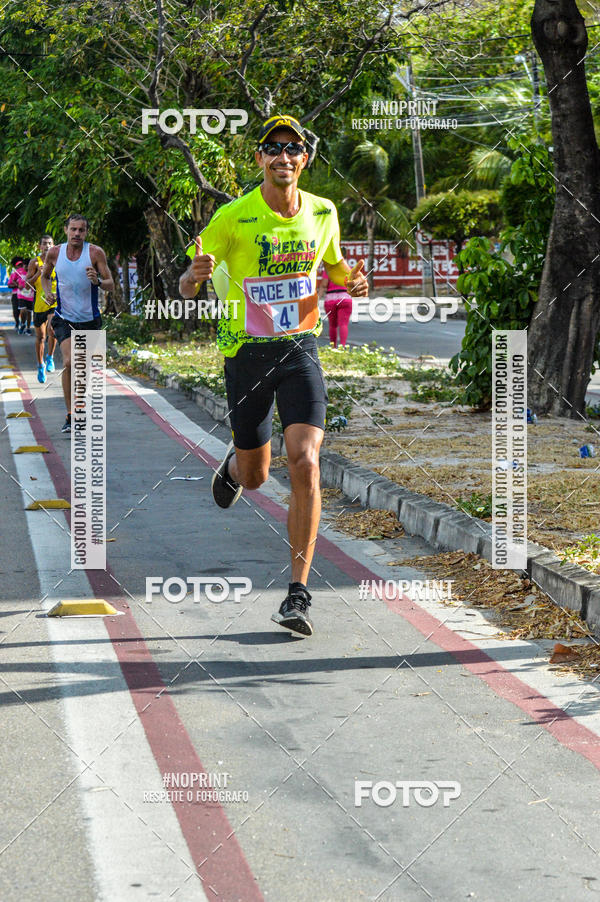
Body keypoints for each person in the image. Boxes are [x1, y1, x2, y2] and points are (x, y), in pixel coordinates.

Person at [179, 114, 368, 637]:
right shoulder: (232, 216)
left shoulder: (324, 211)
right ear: (260, 159)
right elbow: (188, 282)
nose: (283, 156)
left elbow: (335, 272)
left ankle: (297, 594)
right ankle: (238, 469)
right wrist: (192, 278)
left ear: (305, 159)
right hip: (245, 355)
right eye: (273, 148)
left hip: (300, 350)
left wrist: (353, 282)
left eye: (293, 148)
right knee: (260, 474)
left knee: (306, 461)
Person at [41, 214, 114, 432]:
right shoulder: (55, 253)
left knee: (82, 369)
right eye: (73, 229)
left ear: (86, 233)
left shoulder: (95, 253)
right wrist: (48, 293)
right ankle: (71, 415)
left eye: (81, 230)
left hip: (90, 319)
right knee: (70, 362)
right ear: (65, 230)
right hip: (64, 318)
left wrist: (98, 281)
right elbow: (45, 277)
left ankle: (79, 407)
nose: (77, 234)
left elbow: (110, 284)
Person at [26, 235, 57, 383]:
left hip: (54, 303)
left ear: (54, 245)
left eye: (50, 243)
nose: (47, 246)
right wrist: (38, 273)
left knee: (53, 330)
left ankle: (50, 357)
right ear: (39, 247)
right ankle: (40, 365)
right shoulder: (34, 262)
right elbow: (26, 285)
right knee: (41, 337)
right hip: (38, 305)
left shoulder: (59, 261)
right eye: (44, 244)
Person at [318, 269, 353, 347]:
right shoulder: (348, 268)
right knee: (343, 324)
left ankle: (333, 348)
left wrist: (317, 300)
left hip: (330, 299)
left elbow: (324, 285)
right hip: (345, 297)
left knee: (332, 325)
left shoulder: (328, 269)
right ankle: (342, 347)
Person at [13, 258, 34, 334]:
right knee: (23, 310)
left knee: (29, 312)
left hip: (30, 295)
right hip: (21, 295)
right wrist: (18, 285)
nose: (26, 268)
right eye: (25, 266)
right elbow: (13, 280)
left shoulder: (33, 271)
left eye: (28, 266)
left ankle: (28, 328)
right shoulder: (18, 271)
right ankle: (22, 324)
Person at [7, 256, 24, 331]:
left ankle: (23, 324)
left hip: (24, 294)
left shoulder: (26, 273)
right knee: (15, 311)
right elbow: (9, 285)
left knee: (23, 310)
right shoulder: (13, 273)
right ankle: (17, 323)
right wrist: (17, 285)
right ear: (15, 265)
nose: (20, 266)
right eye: (18, 265)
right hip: (15, 294)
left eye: (21, 265)